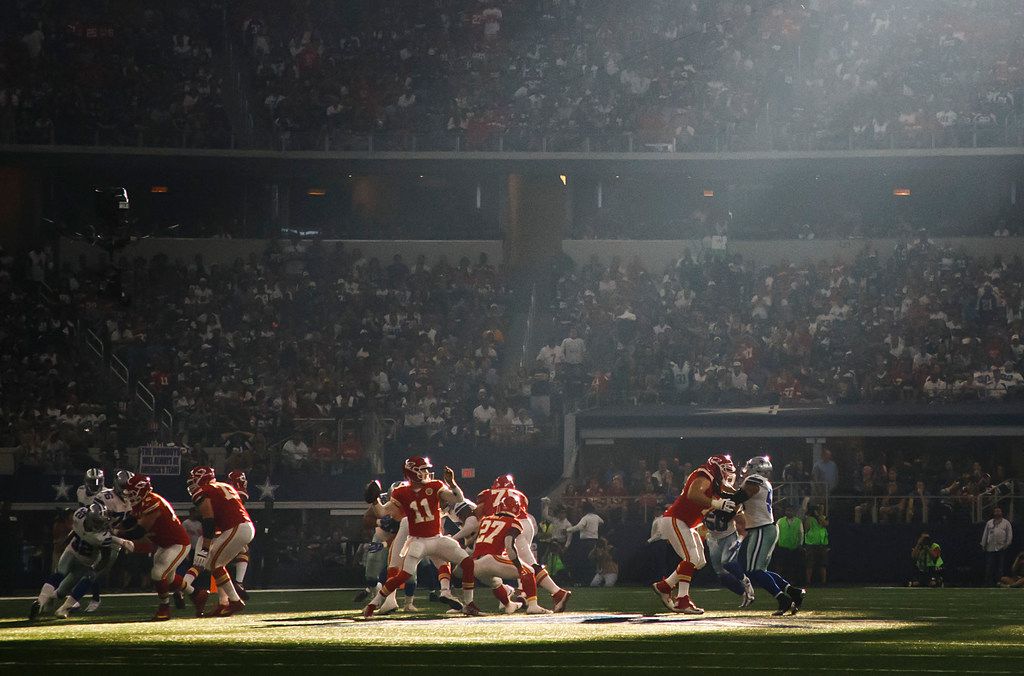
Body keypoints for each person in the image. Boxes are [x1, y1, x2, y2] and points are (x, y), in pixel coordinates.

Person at [363, 456, 476, 618]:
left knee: (467, 562)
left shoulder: (430, 486)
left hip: (432, 539)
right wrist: (375, 501)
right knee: (404, 574)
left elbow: (458, 499)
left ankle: (468, 603)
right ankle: (375, 602)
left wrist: (374, 502)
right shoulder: (404, 491)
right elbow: (459, 498)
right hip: (419, 541)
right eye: (423, 470)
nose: (427, 473)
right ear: (413, 472)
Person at [650, 454, 735, 614]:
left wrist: (743, 497)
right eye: (725, 470)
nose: (728, 475)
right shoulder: (705, 475)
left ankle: (665, 586)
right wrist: (718, 503)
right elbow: (693, 495)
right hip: (676, 519)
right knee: (691, 558)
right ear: (716, 468)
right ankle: (682, 600)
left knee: (698, 561)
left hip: (686, 524)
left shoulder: (715, 483)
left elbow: (732, 492)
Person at [477, 474, 571, 611]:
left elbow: (479, 515)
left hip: (511, 524)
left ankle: (556, 592)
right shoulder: (520, 495)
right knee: (520, 561)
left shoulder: (486, 493)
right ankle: (523, 592)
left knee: (525, 564)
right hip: (525, 523)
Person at [30, 503, 134, 620]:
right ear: (88, 517)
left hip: (85, 562)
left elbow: (105, 557)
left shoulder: (102, 536)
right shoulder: (80, 516)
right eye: (95, 522)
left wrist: (95, 570)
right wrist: (66, 541)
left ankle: (64, 608)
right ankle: (40, 602)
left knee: (65, 589)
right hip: (71, 552)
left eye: (100, 522)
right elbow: (76, 530)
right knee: (60, 573)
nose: (98, 525)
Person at [731, 456, 806, 616]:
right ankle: (793, 592)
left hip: (761, 529)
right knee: (757, 570)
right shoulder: (763, 482)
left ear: (757, 469)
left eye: (749, 466)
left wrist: (723, 500)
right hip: (762, 528)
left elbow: (741, 497)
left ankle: (783, 599)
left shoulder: (754, 479)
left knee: (755, 570)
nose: (746, 469)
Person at [179, 465, 255, 617]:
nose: (192, 484)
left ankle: (234, 601)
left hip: (235, 527)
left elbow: (208, 520)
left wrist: (206, 543)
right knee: (217, 564)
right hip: (242, 526)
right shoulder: (224, 486)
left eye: (194, 480)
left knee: (213, 563)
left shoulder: (204, 490)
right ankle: (224, 602)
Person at [462, 492, 549, 614]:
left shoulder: (486, 519)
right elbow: (509, 547)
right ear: (516, 509)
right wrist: (519, 567)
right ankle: (533, 606)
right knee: (530, 571)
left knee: (496, 582)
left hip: (475, 565)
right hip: (491, 559)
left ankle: (509, 605)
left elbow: (472, 540)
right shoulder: (513, 522)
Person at [121, 475, 192, 620]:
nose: (131, 496)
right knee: (170, 579)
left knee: (158, 574)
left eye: (133, 492)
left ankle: (164, 607)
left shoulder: (152, 502)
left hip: (178, 543)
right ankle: (198, 595)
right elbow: (130, 521)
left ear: (142, 490)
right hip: (164, 544)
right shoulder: (142, 503)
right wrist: (114, 525)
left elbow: (139, 531)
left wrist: (117, 534)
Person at [703, 503, 755, 607]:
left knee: (727, 562)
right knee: (721, 574)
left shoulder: (728, 501)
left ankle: (746, 583)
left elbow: (742, 524)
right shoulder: (702, 500)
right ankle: (743, 593)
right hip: (713, 538)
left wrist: (739, 539)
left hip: (729, 536)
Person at [565, 501, 604, 590]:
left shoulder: (585, 518)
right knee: (593, 561)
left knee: (585, 561)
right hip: (594, 541)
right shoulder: (596, 517)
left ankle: (585, 581)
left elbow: (579, 527)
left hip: (585, 542)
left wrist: (568, 530)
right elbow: (602, 522)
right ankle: (593, 580)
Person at [980, 507, 1013, 586]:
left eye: (999, 511)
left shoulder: (1006, 523)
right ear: (993, 513)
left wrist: (1007, 544)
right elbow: (985, 534)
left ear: (1001, 512)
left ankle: (999, 582)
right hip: (990, 548)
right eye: (996, 511)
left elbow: (1009, 535)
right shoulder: (989, 523)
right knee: (989, 567)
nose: (997, 512)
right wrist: (983, 544)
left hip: (1001, 548)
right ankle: (988, 583)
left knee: (1000, 567)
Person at [775, 504, 805, 586]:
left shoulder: (798, 521)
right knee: (780, 565)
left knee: (792, 566)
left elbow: (801, 533)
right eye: (787, 510)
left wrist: (800, 544)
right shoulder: (780, 521)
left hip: (793, 547)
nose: (789, 512)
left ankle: (791, 581)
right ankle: (778, 581)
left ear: (794, 512)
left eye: (791, 511)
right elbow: (776, 533)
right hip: (782, 547)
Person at [803, 505, 830, 586]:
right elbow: (806, 528)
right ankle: (808, 581)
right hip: (811, 544)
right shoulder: (809, 519)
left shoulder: (824, 518)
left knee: (823, 564)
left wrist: (818, 516)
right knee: (809, 564)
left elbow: (825, 524)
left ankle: (823, 582)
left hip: (822, 544)